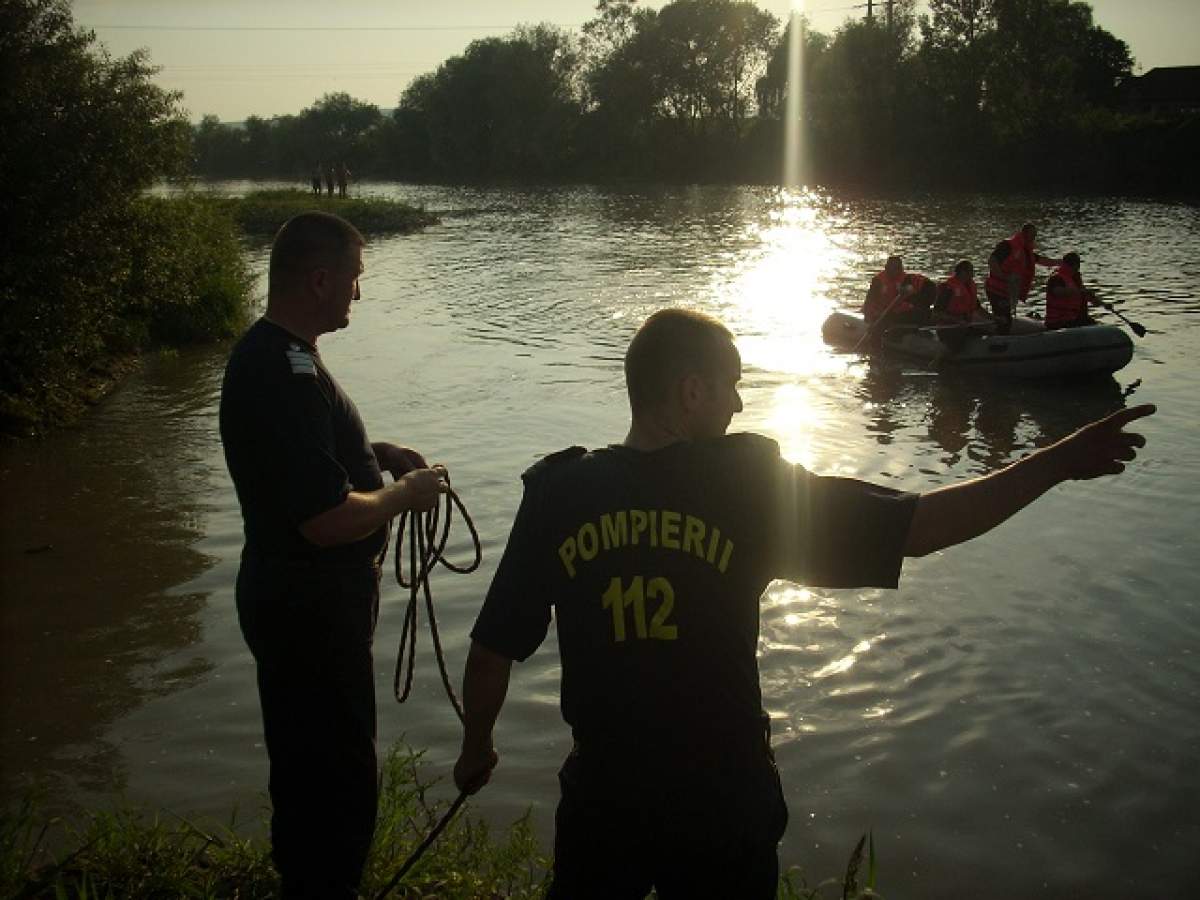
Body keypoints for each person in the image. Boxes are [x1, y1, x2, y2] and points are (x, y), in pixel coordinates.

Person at [451, 308, 1154, 900]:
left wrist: (477, 749)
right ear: (691, 391)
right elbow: (921, 528)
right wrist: (1053, 463)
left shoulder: (558, 492)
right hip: (721, 803)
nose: (737, 404)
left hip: (604, 803)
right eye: (729, 386)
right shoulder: (747, 487)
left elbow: (491, 653)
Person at [219, 211, 447, 899]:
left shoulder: (276, 356)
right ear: (320, 279)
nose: (358, 294)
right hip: (310, 612)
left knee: (309, 771)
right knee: (336, 783)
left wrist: (367, 457)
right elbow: (323, 518)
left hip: (297, 605)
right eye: (353, 279)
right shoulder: (284, 372)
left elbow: (299, 465)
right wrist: (403, 495)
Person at [984, 223, 1060, 334]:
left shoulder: (1026, 252)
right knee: (1004, 318)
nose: (1034, 237)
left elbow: (1041, 260)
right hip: (996, 289)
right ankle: (999, 341)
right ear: (1024, 233)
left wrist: (1058, 263)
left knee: (1005, 317)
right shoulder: (1008, 245)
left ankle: (1002, 334)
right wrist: (1005, 277)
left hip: (1007, 291)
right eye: (1032, 234)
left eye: (1035, 235)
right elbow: (992, 261)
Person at [862, 256, 934, 327]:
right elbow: (869, 302)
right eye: (892, 268)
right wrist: (869, 318)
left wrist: (919, 304)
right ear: (886, 268)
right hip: (884, 315)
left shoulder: (909, 279)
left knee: (924, 314)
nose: (894, 271)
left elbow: (931, 287)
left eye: (896, 268)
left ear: (900, 269)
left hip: (904, 315)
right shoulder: (878, 281)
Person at [1044, 252, 1101, 329]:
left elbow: (1086, 297)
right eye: (1077, 265)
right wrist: (1079, 291)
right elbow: (1057, 291)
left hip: (1075, 319)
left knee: (1092, 324)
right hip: (1058, 322)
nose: (1078, 268)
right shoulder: (1056, 278)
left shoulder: (1075, 279)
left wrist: (1099, 302)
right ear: (1074, 265)